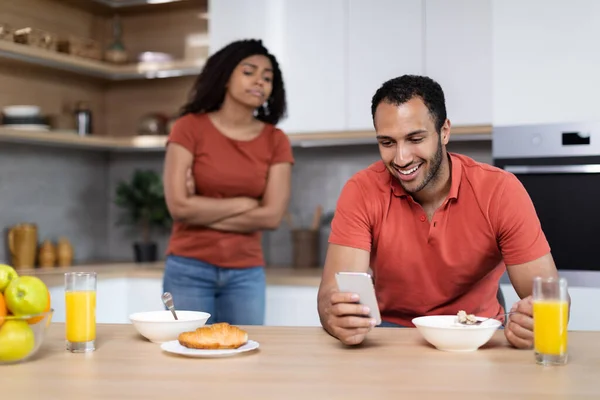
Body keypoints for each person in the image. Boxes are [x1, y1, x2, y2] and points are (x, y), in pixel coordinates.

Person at [317, 74, 568, 348]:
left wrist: (536, 322)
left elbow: (551, 296)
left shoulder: (500, 190)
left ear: (444, 131)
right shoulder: (361, 191)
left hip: (477, 333)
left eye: (415, 138)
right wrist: (334, 315)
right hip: (392, 337)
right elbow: (332, 292)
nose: (401, 158)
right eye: (387, 143)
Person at [162, 39, 294, 325]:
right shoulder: (189, 128)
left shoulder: (276, 140)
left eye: (267, 77)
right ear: (224, 76)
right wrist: (244, 204)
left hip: (246, 274)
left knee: (244, 363)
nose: (260, 80)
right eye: (249, 72)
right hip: (188, 268)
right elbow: (179, 208)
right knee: (187, 356)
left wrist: (201, 210)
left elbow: (271, 216)